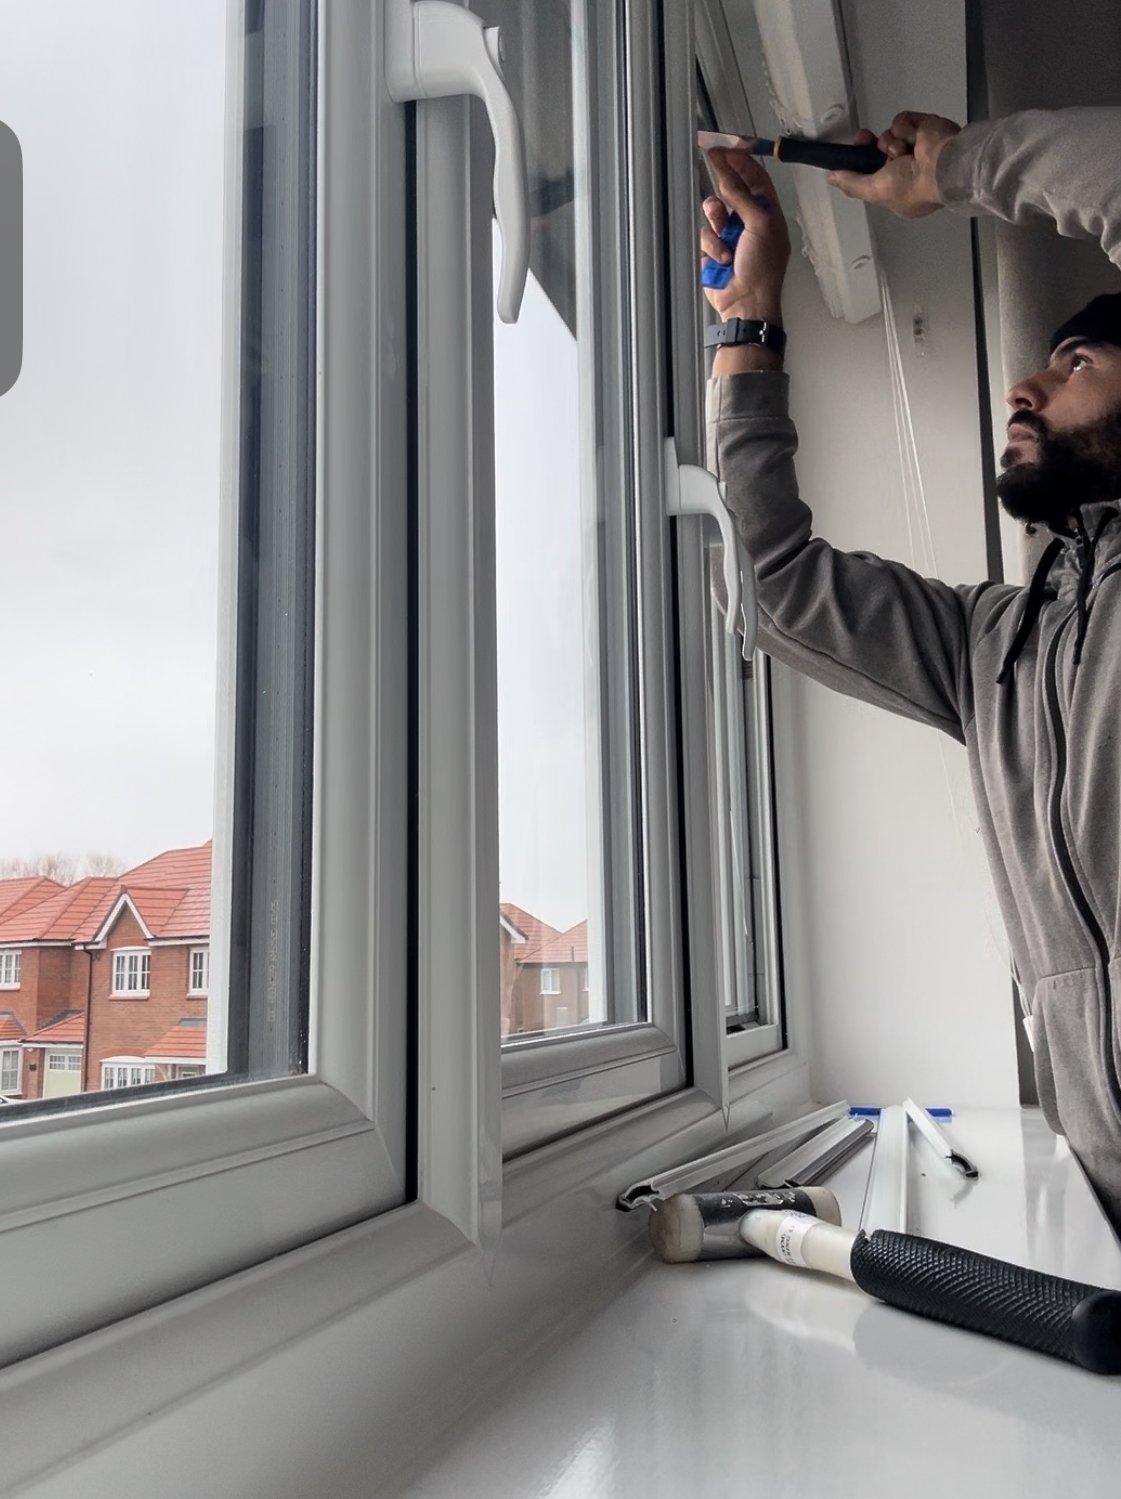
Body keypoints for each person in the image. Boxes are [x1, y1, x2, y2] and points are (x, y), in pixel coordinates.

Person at [700, 108, 1121, 1231]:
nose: (1022, 389)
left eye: (1075, 363)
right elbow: (776, 584)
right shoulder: (998, 644)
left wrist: (953, 170)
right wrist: (748, 324)